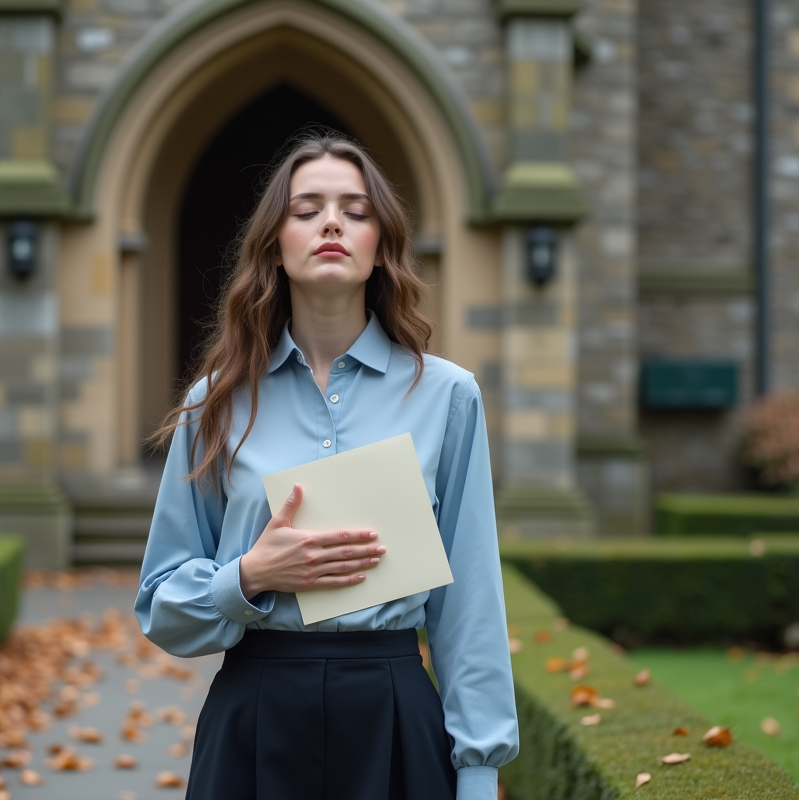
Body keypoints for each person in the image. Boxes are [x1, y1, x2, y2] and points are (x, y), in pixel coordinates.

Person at [135, 131, 518, 800]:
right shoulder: (216, 402)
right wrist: (249, 577)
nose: (332, 222)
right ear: (275, 246)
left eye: (356, 209)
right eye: (306, 209)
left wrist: (479, 770)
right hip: (255, 716)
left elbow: (471, 602)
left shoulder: (447, 396)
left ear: (381, 247)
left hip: (396, 714)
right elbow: (161, 607)